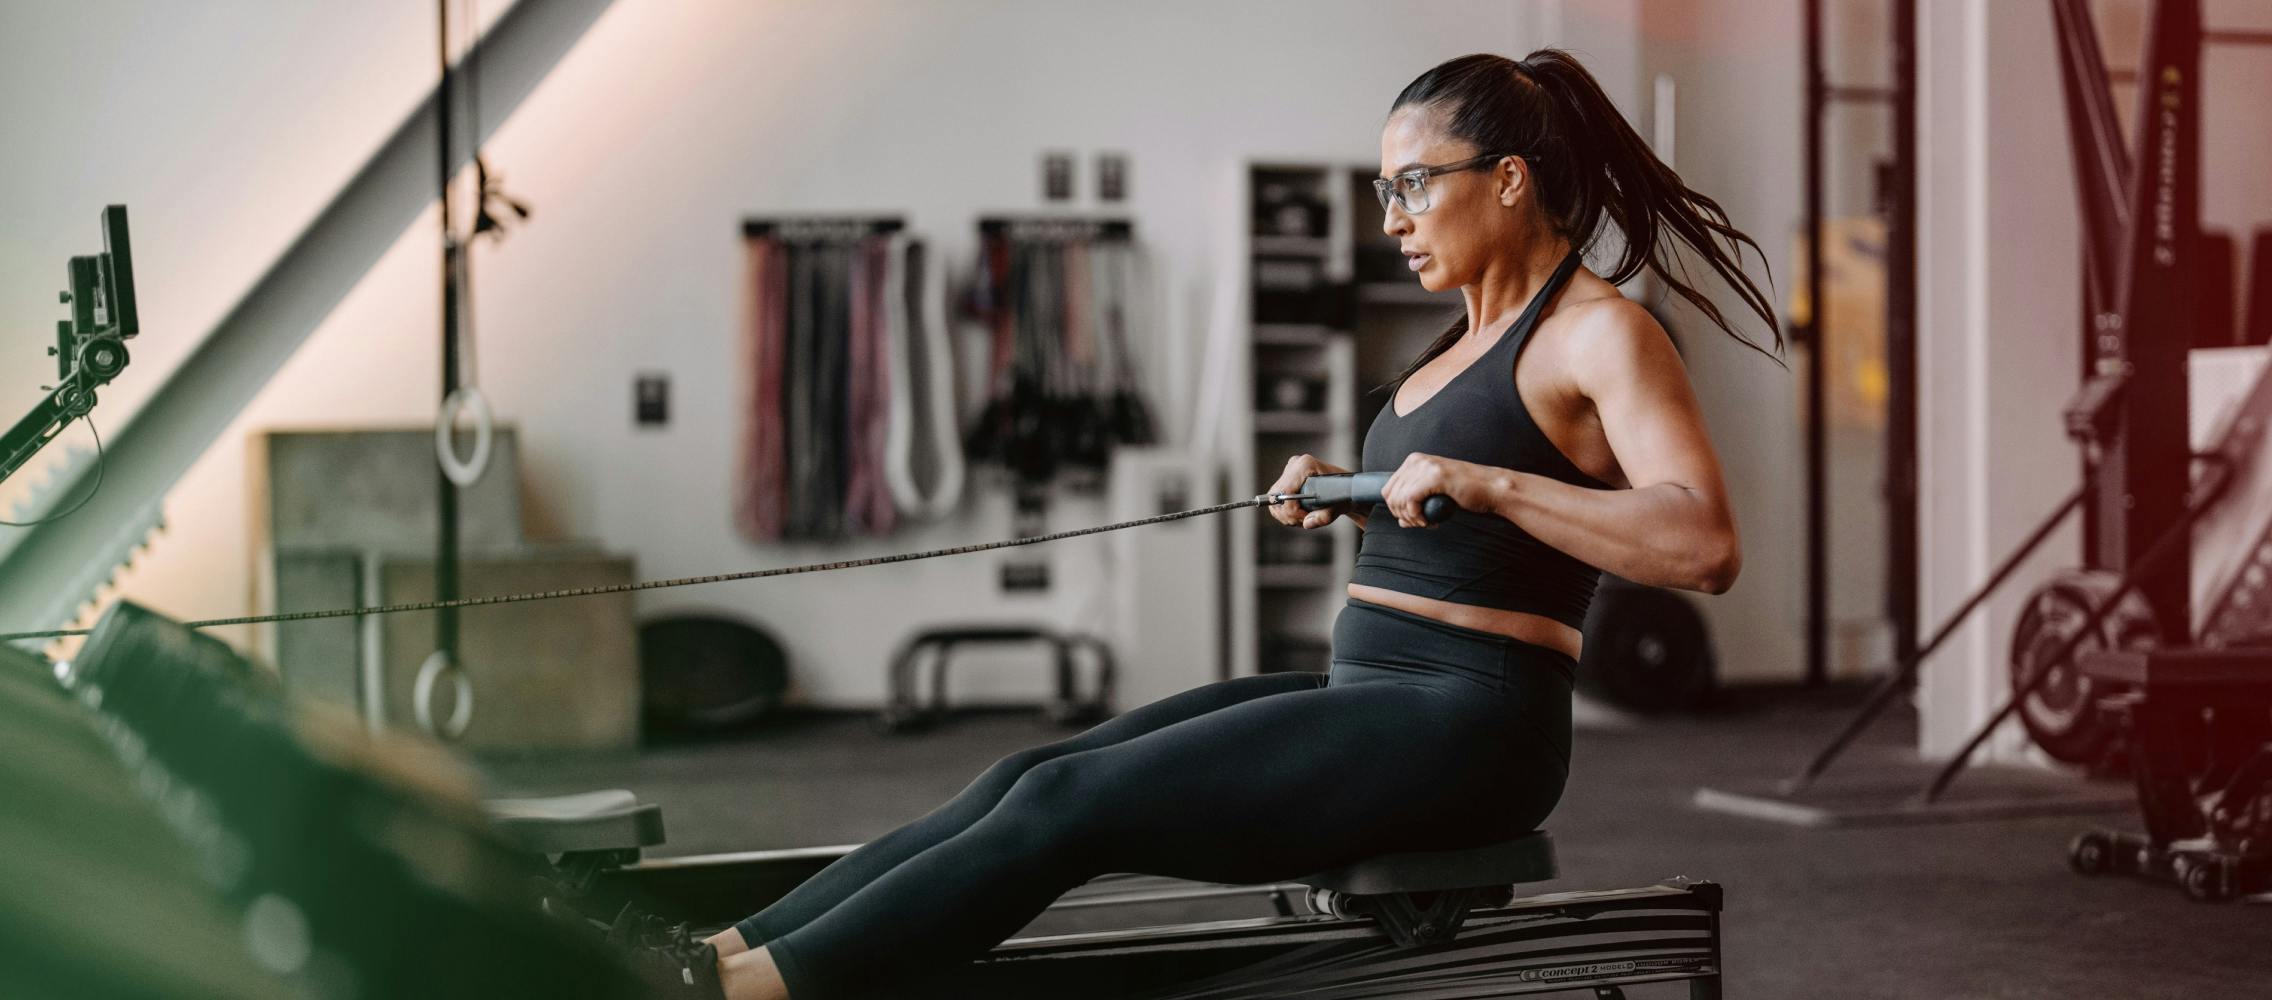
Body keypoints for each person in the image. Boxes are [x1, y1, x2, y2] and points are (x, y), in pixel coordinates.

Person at [625, 48, 1778, 1000]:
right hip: (1369, 691)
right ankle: (720, 951)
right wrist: (1349, 482)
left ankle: (737, 995)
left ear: (1512, 179)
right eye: (1383, 192)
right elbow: (1454, 491)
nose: (1391, 220)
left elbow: (1700, 542)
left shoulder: (1597, 333)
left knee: (1068, 811)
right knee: (1030, 771)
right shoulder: (1460, 338)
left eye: (1413, 185)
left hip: (1471, 726)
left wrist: (1492, 487)